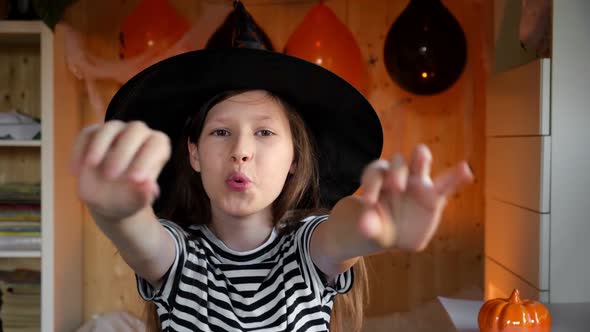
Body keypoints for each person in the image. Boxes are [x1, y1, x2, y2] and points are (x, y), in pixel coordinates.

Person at [70, 1, 473, 331]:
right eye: (220, 133)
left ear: (295, 158)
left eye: (264, 133)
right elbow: (139, 236)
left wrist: (377, 227)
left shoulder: (306, 247)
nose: (241, 151)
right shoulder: (179, 256)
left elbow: (344, 231)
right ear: (193, 153)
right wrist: (116, 212)